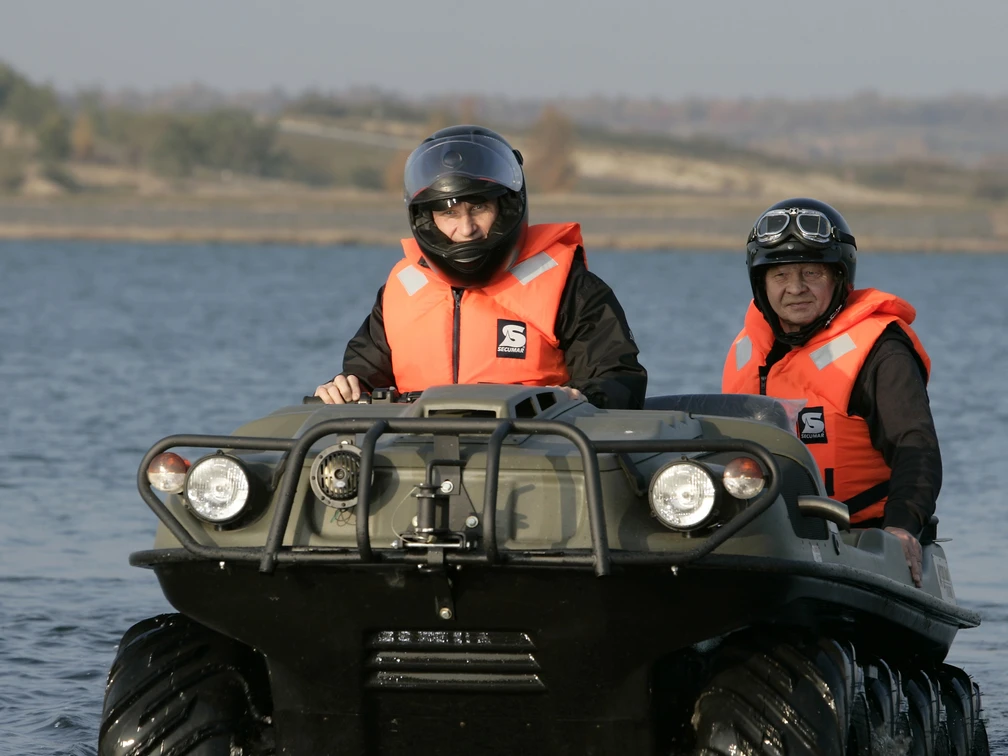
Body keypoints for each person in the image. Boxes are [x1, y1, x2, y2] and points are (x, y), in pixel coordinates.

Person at [315, 124, 647, 409]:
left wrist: (581, 400)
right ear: (426, 219)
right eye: (449, 214)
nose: (466, 228)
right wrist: (342, 388)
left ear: (505, 207)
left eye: (478, 207)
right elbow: (362, 379)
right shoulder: (400, 292)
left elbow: (617, 379)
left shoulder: (569, 287)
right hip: (414, 459)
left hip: (540, 458)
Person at [721, 198, 940, 588]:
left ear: (839, 278)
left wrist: (903, 528)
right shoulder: (747, 349)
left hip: (857, 538)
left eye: (811, 273)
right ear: (761, 283)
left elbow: (915, 446)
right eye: (781, 275)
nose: (796, 288)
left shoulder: (880, 350)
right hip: (764, 535)